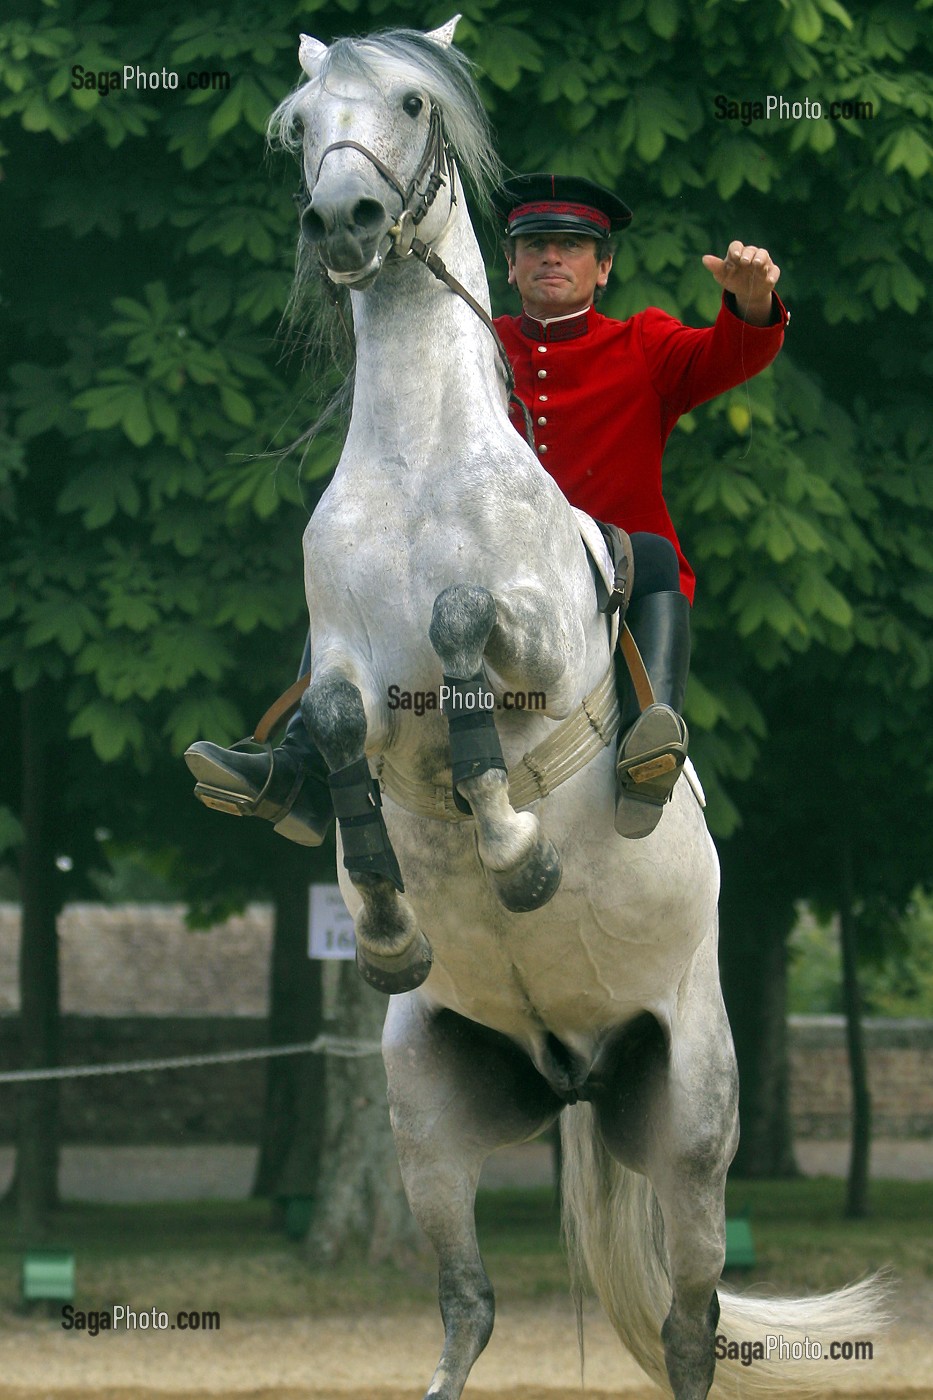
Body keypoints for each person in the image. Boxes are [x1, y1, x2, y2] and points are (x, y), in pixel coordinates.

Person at [185, 174, 787, 841]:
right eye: (532, 245)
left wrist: (752, 305)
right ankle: (301, 769)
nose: (549, 258)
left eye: (570, 245)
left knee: (655, 552)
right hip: (471, 556)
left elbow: (727, 357)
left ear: (605, 266)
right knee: (355, 566)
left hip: (602, 572)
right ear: (509, 262)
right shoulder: (471, 345)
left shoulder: (642, 343)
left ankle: (653, 738)